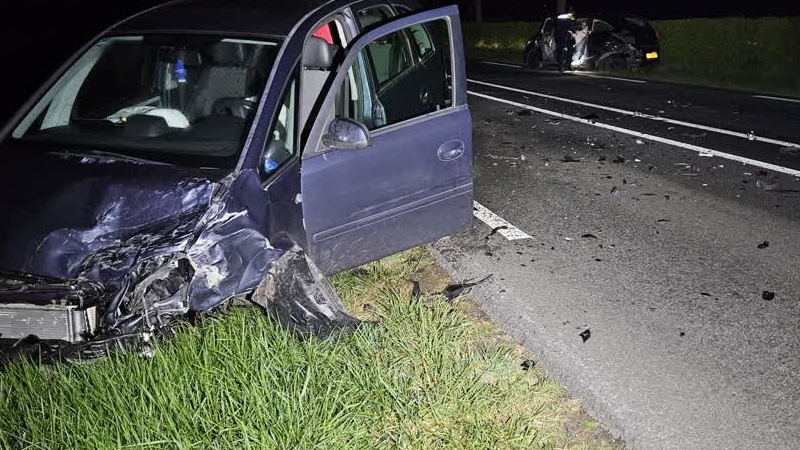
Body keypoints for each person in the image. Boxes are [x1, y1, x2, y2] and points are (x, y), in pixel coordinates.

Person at [554, 7, 577, 71]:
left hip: (560, 36)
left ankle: (561, 67)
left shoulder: (560, 16)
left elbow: (556, 25)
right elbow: (573, 25)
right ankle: (567, 66)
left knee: (560, 52)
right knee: (569, 52)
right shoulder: (571, 16)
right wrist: (574, 31)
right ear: (572, 12)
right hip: (567, 36)